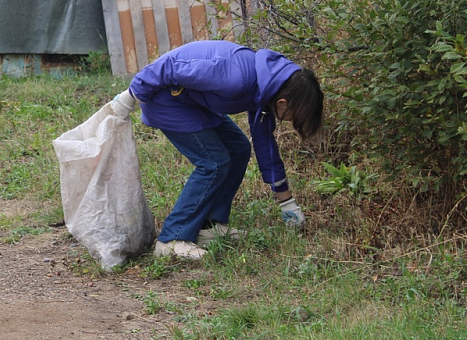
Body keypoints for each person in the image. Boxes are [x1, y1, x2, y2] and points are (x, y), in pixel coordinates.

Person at [110, 39, 323, 259]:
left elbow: (265, 145)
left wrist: (286, 202)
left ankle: (209, 226)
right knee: (213, 163)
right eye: (294, 116)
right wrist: (132, 94)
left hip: (193, 101)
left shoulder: (266, 87)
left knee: (239, 149)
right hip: (166, 100)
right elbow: (171, 66)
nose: (290, 121)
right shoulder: (237, 79)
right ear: (283, 103)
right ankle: (172, 239)